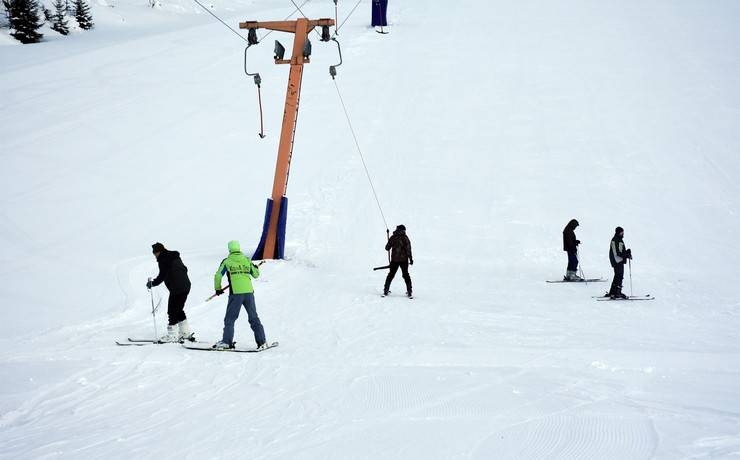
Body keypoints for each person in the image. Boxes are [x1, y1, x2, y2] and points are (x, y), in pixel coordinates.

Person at [213, 240, 267, 350]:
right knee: (253, 318)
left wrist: (218, 289)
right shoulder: (247, 260)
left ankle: (226, 342)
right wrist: (255, 268)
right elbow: (256, 275)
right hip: (249, 293)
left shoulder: (227, 261)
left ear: (229, 250)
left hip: (236, 293)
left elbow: (218, 276)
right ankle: (262, 342)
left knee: (230, 319)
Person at [147, 242, 193, 342]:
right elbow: (185, 269)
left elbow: (162, 275)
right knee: (178, 309)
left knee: (172, 311)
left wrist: (152, 283)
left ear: (158, 252)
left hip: (177, 288)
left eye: (154, 253)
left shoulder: (163, 259)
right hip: (186, 286)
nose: (154, 255)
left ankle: (172, 336)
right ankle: (185, 333)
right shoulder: (174, 256)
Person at [383, 224, 413, 297]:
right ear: (402, 230)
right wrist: (411, 258)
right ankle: (409, 291)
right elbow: (408, 249)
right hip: (404, 260)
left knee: (391, 275)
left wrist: (389, 240)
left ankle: (386, 290)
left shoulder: (393, 237)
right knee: (406, 275)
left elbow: (387, 248)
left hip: (394, 260)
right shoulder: (405, 238)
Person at [608, 227, 632, 299]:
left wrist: (626, 252)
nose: (623, 233)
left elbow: (620, 251)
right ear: (619, 232)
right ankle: (617, 293)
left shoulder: (618, 239)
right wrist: (626, 255)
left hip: (618, 260)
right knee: (619, 276)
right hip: (617, 260)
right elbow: (618, 252)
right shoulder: (616, 240)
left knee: (617, 276)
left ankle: (612, 292)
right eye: (622, 232)